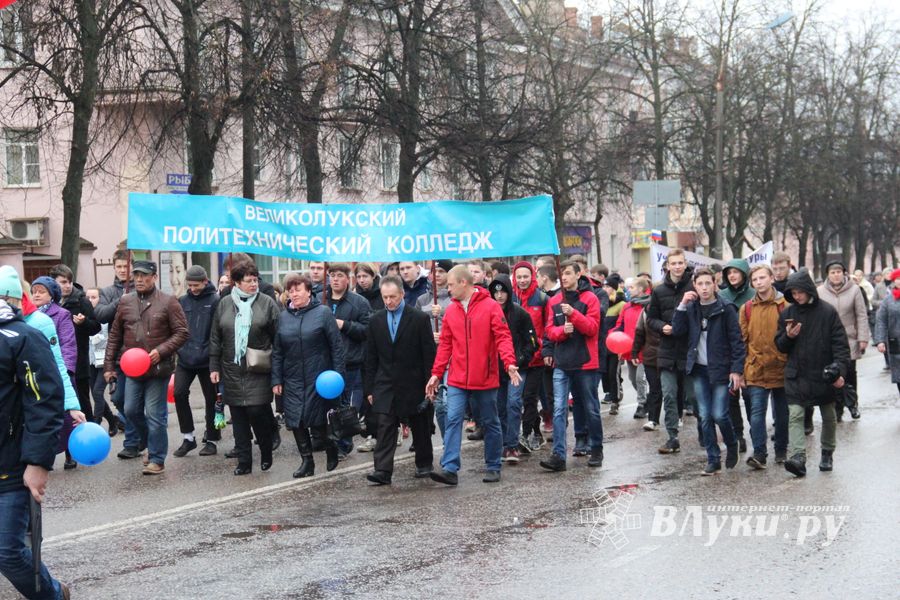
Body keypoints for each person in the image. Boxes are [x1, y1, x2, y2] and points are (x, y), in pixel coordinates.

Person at [0, 289, 70, 599]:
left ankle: (53, 595)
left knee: (8, 552)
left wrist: (38, 463)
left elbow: (44, 401)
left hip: (11, 464)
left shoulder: (20, 337)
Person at [426, 265, 520, 485]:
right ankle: (450, 468)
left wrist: (509, 363)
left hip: (485, 378)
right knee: (453, 418)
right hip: (458, 378)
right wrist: (436, 374)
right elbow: (446, 345)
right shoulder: (451, 310)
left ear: (463, 283)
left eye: (450, 284)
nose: (447, 289)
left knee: (490, 421)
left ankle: (493, 465)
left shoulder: (490, 307)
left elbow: (503, 337)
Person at [105, 260, 189, 475]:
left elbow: (182, 332)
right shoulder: (125, 301)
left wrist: (160, 351)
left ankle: (157, 458)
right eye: (137, 276)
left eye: (144, 276)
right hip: (132, 368)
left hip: (158, 369)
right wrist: (109, 366)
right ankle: (148, 442)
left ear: (154, 277)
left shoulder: (168, 302)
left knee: (154, 413)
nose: (140, 280)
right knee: (130, 409)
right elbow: (115, 335)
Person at [776, 269, 851, 477]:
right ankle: (798, 457)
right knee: (796, 415)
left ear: (809, 289)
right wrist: (788, 337)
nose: (797, 296)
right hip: (796, 374)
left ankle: (827, 453)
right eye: (793, 292)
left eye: (800, 292)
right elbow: (780, 346)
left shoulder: (827, 312)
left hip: (823, 373)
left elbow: (841, 346)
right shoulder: (787, 314)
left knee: (828, 415)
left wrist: (838, 369)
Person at [363, 276, 436, 484]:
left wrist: (430, 383)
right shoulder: (376, 321)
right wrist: (370, 389)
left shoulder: (419, 319)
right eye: (385, 297)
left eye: (392, 297)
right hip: (385, 383)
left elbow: (428, 354)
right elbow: (371, 357)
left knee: (420, 425)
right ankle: (383, 471)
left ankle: (423, 463)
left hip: (414, 382)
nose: (388, 301)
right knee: (385, 426)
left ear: (402, 294)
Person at [672, 268, 746, 475]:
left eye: (708, 283)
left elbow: (737, 342)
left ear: (715, 284)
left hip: (721, 370)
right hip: (699, 370)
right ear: (694, 286)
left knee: (720, 414)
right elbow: (677, 331)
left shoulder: (726, 308)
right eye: (700, 284)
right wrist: (682, 305)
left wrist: (736, 370)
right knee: (704, 415)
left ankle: (732, 445)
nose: (704, 288)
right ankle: (713, 459)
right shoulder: (692, 308)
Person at [210, 262, 280, 475]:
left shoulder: (267, 303)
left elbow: (279, 338)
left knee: (257, 411)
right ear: (237, 282)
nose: (253, 284)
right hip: (231, 368)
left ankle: (266, 449)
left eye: (255, 280)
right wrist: (214, 365)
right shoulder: (224, 304)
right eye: (248, 280)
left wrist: (278, 372)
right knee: (238, 416)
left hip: (258, 367)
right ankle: (244, 461)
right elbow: (215, 337)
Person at [272, 273, 345, 478]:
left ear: (308, 292)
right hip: (292, 376)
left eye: (298, 290)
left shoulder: (322, 313)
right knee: (296, 419)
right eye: (291, 290)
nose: (294, 294)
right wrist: (276, 379)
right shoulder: (283, 317)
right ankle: (307, 461)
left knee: (318, 420)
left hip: (319, 376)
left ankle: (331, 447)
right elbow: (277, 351)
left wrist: (339, 376)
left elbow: (336, 347)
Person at [539, 260, 604, 472]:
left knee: (591, 408)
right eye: (562, 275)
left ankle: (596, 448)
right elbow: (549, 331)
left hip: (585, 363)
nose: (564, 278)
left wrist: (574, 315)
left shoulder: (590, 298)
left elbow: (592, 329)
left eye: (568, 273)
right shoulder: (555, 300)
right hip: (562, 363)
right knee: (558, 409)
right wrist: (562, 332)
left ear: (578, 274)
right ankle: (558, 455)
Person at [739, 264, 789, 468]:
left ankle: (781, 450)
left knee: (782, 414)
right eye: (755, 280)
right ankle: (759, 453)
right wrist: (740, 370)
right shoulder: (747, 308)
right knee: (756, 414)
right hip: (756, 367)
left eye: (762, 278)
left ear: (771, 279)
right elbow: (741, 340)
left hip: (781, 367)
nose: (759, 282)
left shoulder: (785, 305)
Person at [645, 249, 694, 455]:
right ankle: (672, 437)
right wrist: (661, 326)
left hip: (690, 350)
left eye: (680, 263)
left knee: (695, 397)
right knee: (669, 394)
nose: (676, 267)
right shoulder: (658, 291)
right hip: (666, 351)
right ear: (667, 266)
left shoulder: (694, 287)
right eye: (673, 263)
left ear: (685, 264)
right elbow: (651, 318)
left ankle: (706, 433)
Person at [30, 276, 80, 469]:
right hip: (37, 372)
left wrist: (66, 370)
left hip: (60, 372)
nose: (36, 294)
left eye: (41, 291)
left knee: (68, 417)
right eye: (34, 291)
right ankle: (45, 456)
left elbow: (67, 343)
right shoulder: (29, 316)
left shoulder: (61, 314)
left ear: (51, 295)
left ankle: (72, 452)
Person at [322, 263, 371, 458]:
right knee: (328, 404)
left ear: (348, 279)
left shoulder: (358, 303)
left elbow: (367, 331)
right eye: (332, 275)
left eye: (339, 275)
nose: (335, 279)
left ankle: (344, 443)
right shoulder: (320, 300)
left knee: (346, 406)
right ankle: (329, 440)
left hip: (350, 362)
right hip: (325, 362)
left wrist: (344, 325)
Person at [173, 266, 221, 457]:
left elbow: (218, 332)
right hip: (185, 358)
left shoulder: (215, 301)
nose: (192, 288)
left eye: (196, 285)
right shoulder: (182, 301)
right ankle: (188, 437)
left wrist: (214, 357)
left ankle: (211, 439)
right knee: (178, 393)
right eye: (190, 285)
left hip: (207, 358)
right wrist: (179, 349)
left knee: (212, 399)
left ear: (205, 281)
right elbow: (177, 327)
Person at [489, 275, 537, 464]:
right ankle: (503, 442)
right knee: (499, 406)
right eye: (496, 292)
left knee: (514, 403)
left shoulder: (520, 314)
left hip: (517, 368)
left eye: (503, 292)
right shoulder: (488, 313)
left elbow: (532, 342)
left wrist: (521, 359)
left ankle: (512, 445)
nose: (499, 296)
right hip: (497, 369)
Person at [817, 260, 869, 421]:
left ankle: (852, 404)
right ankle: (837, 408)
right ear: (828, 275)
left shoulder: (854, 290)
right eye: (832, 272)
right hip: (828, 340)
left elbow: (861, 314)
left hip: (849, 338)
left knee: (850, 373)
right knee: (833, 374)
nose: (836, 275)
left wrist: (863, 338)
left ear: (844, 273)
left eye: (839, 271)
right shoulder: (820, 291)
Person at [51, 265, 101, 426]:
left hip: (78, 363)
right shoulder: (50, 303)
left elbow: (96, 327)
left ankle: (91, 435)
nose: (67, 285)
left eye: (69, 282)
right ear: (53, 283)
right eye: (63, 282)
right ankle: (69, 446)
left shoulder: (81, 300)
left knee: (83, 404)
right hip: (56, 361)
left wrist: (84, 322)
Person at [511, 260, 550, 451]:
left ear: (532, 276)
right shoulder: (509, 298)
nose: (522, 280)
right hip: (517, 359)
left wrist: (543, 347)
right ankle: (537, 432)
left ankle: (525, 435)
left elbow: (547, 327)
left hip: (536, 358)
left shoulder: (541, 299)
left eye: (526, 276)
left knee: (529, 398)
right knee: (518, 400)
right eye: (519, 277)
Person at [718, 259, 755, 452]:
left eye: (736, 272)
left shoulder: (754, 295)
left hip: (750, 352)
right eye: (729, 272)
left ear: (744, 273)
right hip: (728, 353)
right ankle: (738, 434)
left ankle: (755, 433)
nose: (732, 276)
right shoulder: (721, 295)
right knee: (731, 397)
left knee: (750, 396)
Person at [415, 260, 454, 439]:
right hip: (429, 356)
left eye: (441, 271)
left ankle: (451, 439)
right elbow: (414, 325)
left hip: (451, 358)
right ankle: (447, 441)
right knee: (437, 404)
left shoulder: (456, 298)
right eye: (433, 271)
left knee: (447, 403)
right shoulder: (422, 299)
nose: (436, 274)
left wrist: (444, 313)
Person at [615, 277, 651, 420]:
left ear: (641, 289)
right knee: (632, 378)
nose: (628, 290)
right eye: (628, 288)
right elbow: (620, 325)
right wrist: (614, 337)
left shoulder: (648, 305)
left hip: (645, 349)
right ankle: (647, 398)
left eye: (631, 287)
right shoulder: (626, 306)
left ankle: (642, 405)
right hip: (629, 349)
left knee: (640, 378)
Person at [85, 287, 119, 435]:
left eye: (94, 297)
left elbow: (112, 338)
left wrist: (99, 338)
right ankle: (112, 421)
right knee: (94, 393)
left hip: (105, 361)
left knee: (98, 393)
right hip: (91, 361)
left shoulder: (105, 315)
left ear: (100, 299)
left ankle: (96, 424)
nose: (90, 300)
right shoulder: (84, 315)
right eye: (88, 297)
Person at [600, 275, 625, 414]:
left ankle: (615, 401)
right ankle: (608, 393)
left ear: (614, 289)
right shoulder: (601, 303)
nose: (605, 289)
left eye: (608, 287)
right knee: (603, 373)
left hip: (615, 345)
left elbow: (622, 324)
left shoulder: (621, 305)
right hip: (601, 345)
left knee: (612, 373)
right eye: (604, 286)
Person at [874, 268, 900, 396]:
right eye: (897, 279)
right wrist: (880, 340)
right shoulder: (888, 300)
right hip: (896, 342)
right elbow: (881, 320)